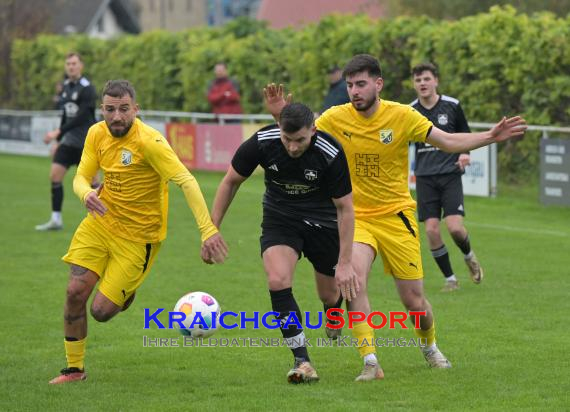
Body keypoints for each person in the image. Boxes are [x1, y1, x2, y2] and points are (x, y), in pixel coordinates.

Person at [264, 54, 526, 381]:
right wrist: (279, 114)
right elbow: (302, 132)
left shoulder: (402, 116)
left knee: (414, 301)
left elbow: (446, 141)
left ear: (378, 84)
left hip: (397, 217)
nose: (354, 91)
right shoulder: (335, 117)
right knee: (353, 281)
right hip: (356, 219)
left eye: (361, 84)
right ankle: (371, 361)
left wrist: (489, 136)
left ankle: (429, 346)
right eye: (349, 85)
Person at [49, 80, 228, 384]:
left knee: (101, 312)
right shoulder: (96, 133)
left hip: (138, 239)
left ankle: (125, 290)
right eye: (110, 109)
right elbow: (81, 176)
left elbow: (186, 181)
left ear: (136, 109)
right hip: (99, 223)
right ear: (102, 109)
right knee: (74, 292)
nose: (116, 116)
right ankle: (74, 369)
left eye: (123, 109)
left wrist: (207, 230)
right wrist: (86, 194)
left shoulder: (150, 142)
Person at [207, 102, 359, 384]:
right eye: (286, 139)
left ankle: (334, 309)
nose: (291, 147)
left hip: (323, 221)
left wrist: (346, 262)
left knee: (328, 295)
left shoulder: (331, 152)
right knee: (277, 280)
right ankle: (302, 360)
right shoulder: (263, 142)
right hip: (281, 219)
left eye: (299, 140)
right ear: (279, 127)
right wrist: (210, 229)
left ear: (313, 130)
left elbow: (345, 208)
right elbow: (230, 181)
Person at [411, 62, 482, 292]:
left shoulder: (452, 105)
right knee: (431, 230)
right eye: (418, 80)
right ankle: (450, 279)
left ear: (436, 81)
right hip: (424, 177)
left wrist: (465, 152)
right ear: (414, 84)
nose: (422, 83)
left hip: (450, 174)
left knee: (455, 228)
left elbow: (465, 134)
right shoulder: (409, 111)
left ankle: (469, 256)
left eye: (426, 79)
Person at [36, 52, 97, 231]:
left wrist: (58, 132)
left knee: (94, 184)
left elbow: (82, 116)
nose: (71, 66)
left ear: (81, 66)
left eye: (74, 63)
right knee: (54, 176)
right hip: (68, 142)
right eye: (68, 64)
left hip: (86, 143)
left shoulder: (88, 88)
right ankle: (56, 219)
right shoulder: (64, 87)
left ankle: (107, 219)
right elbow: (65, 115)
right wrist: (59, 140)